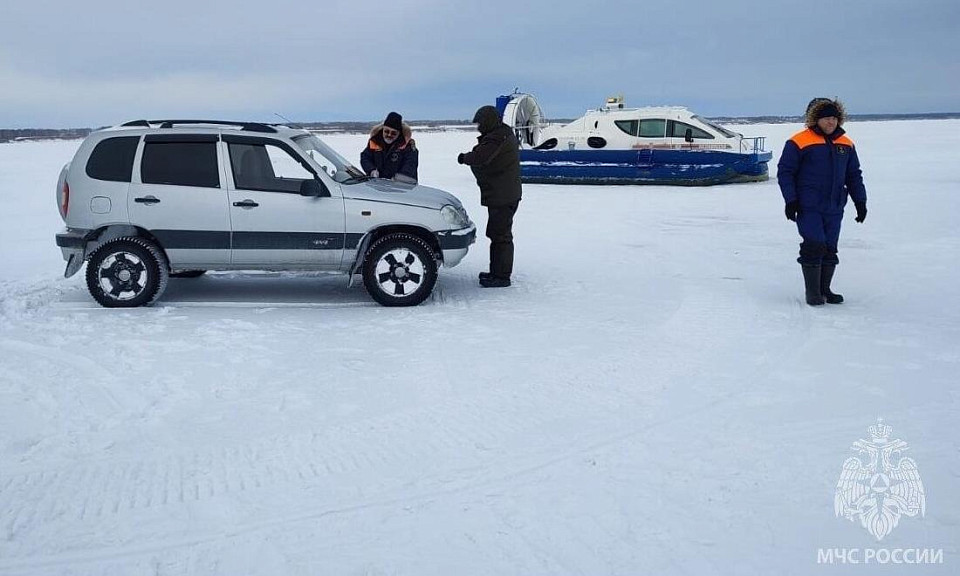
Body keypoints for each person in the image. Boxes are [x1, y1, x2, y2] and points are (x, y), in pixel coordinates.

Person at [778, 98, 868, 306]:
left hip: (835, 206)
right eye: (827, 118)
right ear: (816, 120)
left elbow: (854, 175)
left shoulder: (846, 144)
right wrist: (790, 200)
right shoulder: (799, 142)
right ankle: (813, 292)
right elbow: (786, 173)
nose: (831, 122)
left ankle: (825, 289)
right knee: (814, 244)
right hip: (808, 205)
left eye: (835, 118)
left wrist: (860, 201)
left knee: (829, 247)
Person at [457, 105, 522, 288]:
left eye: (480, 124)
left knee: (500, 235)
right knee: (497, 233)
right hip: (505, 193)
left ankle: (501, 276)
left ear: (488, 122)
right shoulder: (502, 134)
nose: (478, 127)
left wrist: (464, 157)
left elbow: (481, 157)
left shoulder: (497, 138)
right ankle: (497, 272)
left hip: (503, 195)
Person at [360, 111, 418, 183]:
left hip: (403, 188)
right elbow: (365, 157)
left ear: (399, 134)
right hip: (378, 186)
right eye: (386, 131)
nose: (389, 135)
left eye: (393, 133)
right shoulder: (375, 142)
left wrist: (395, 181)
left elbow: (409, 167)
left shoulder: (408, 147)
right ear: (382, 130)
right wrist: (372, 170)